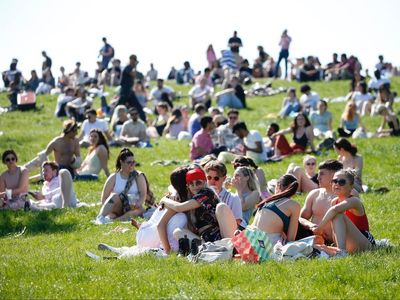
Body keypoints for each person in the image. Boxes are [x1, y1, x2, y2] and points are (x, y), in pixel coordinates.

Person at [158, 168, 237, 251]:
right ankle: (211, 250)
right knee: (178, 232)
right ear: (187, 186)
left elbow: (179, 208)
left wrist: (164, 200)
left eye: (198, 183)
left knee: (221, 206)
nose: (195, 186)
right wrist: (174, 193)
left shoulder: (207, 192)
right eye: (191, 184)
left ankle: (230, 248)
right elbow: (172, 187)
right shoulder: (189, 199)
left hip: (220, 235)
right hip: (205, 240)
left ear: (204, 182)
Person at [312, 170, 374, 255]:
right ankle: (340, 251)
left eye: (341, 182)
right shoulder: (334, 201)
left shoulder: (354, 201)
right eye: (334, 181)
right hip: (350, 245)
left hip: (365, 242)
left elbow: (334, 210)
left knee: (337, 215)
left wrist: (319, 228)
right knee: (315, 246)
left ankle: (341, 252)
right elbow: (335, 230)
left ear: (351, 186)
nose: (336, 184)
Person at [95, 148, 147, 222]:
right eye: (129, 162)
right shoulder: (114, 177)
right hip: (118, 208)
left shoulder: (138, 176)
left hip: (134, 208)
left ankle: (113, 221)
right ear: (121, 162)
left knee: (136, 212)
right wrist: (109, 211)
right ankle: (100, 218)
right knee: (114, 196)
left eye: (133, 162)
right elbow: (104, 198)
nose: (132, 165)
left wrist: (139, 203)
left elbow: (143, 194)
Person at [299, 159, 344, 243]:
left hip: (338, 241)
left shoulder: (344, 196)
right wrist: (311, 225)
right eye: (318, 174)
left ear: (334, 175)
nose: (318, 177)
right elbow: (300, 219)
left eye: (322, 174)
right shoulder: (314, 194)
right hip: (315, 238)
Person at [251, 174, 300, 245]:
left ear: (278, 185)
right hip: (266, 246)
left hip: (250, 241)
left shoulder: (266, 202)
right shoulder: (294, 205)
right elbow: (290, 240)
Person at [204, 160, 242, 225]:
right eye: (209, 178)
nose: (212, 181)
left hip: (226, 233)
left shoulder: (233, 198)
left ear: (224, 179)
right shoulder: (201, 196)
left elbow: (237, 222)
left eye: (216, 178)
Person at [119, 54, 146, 121]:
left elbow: (137, 76)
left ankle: (143, 119)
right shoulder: (128, 67)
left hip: (130, 91)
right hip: (125, 90)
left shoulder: (131, 67)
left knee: (137, 106)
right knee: (119, 106)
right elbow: (133, 74)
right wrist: (135, 66)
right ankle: (113, 118)